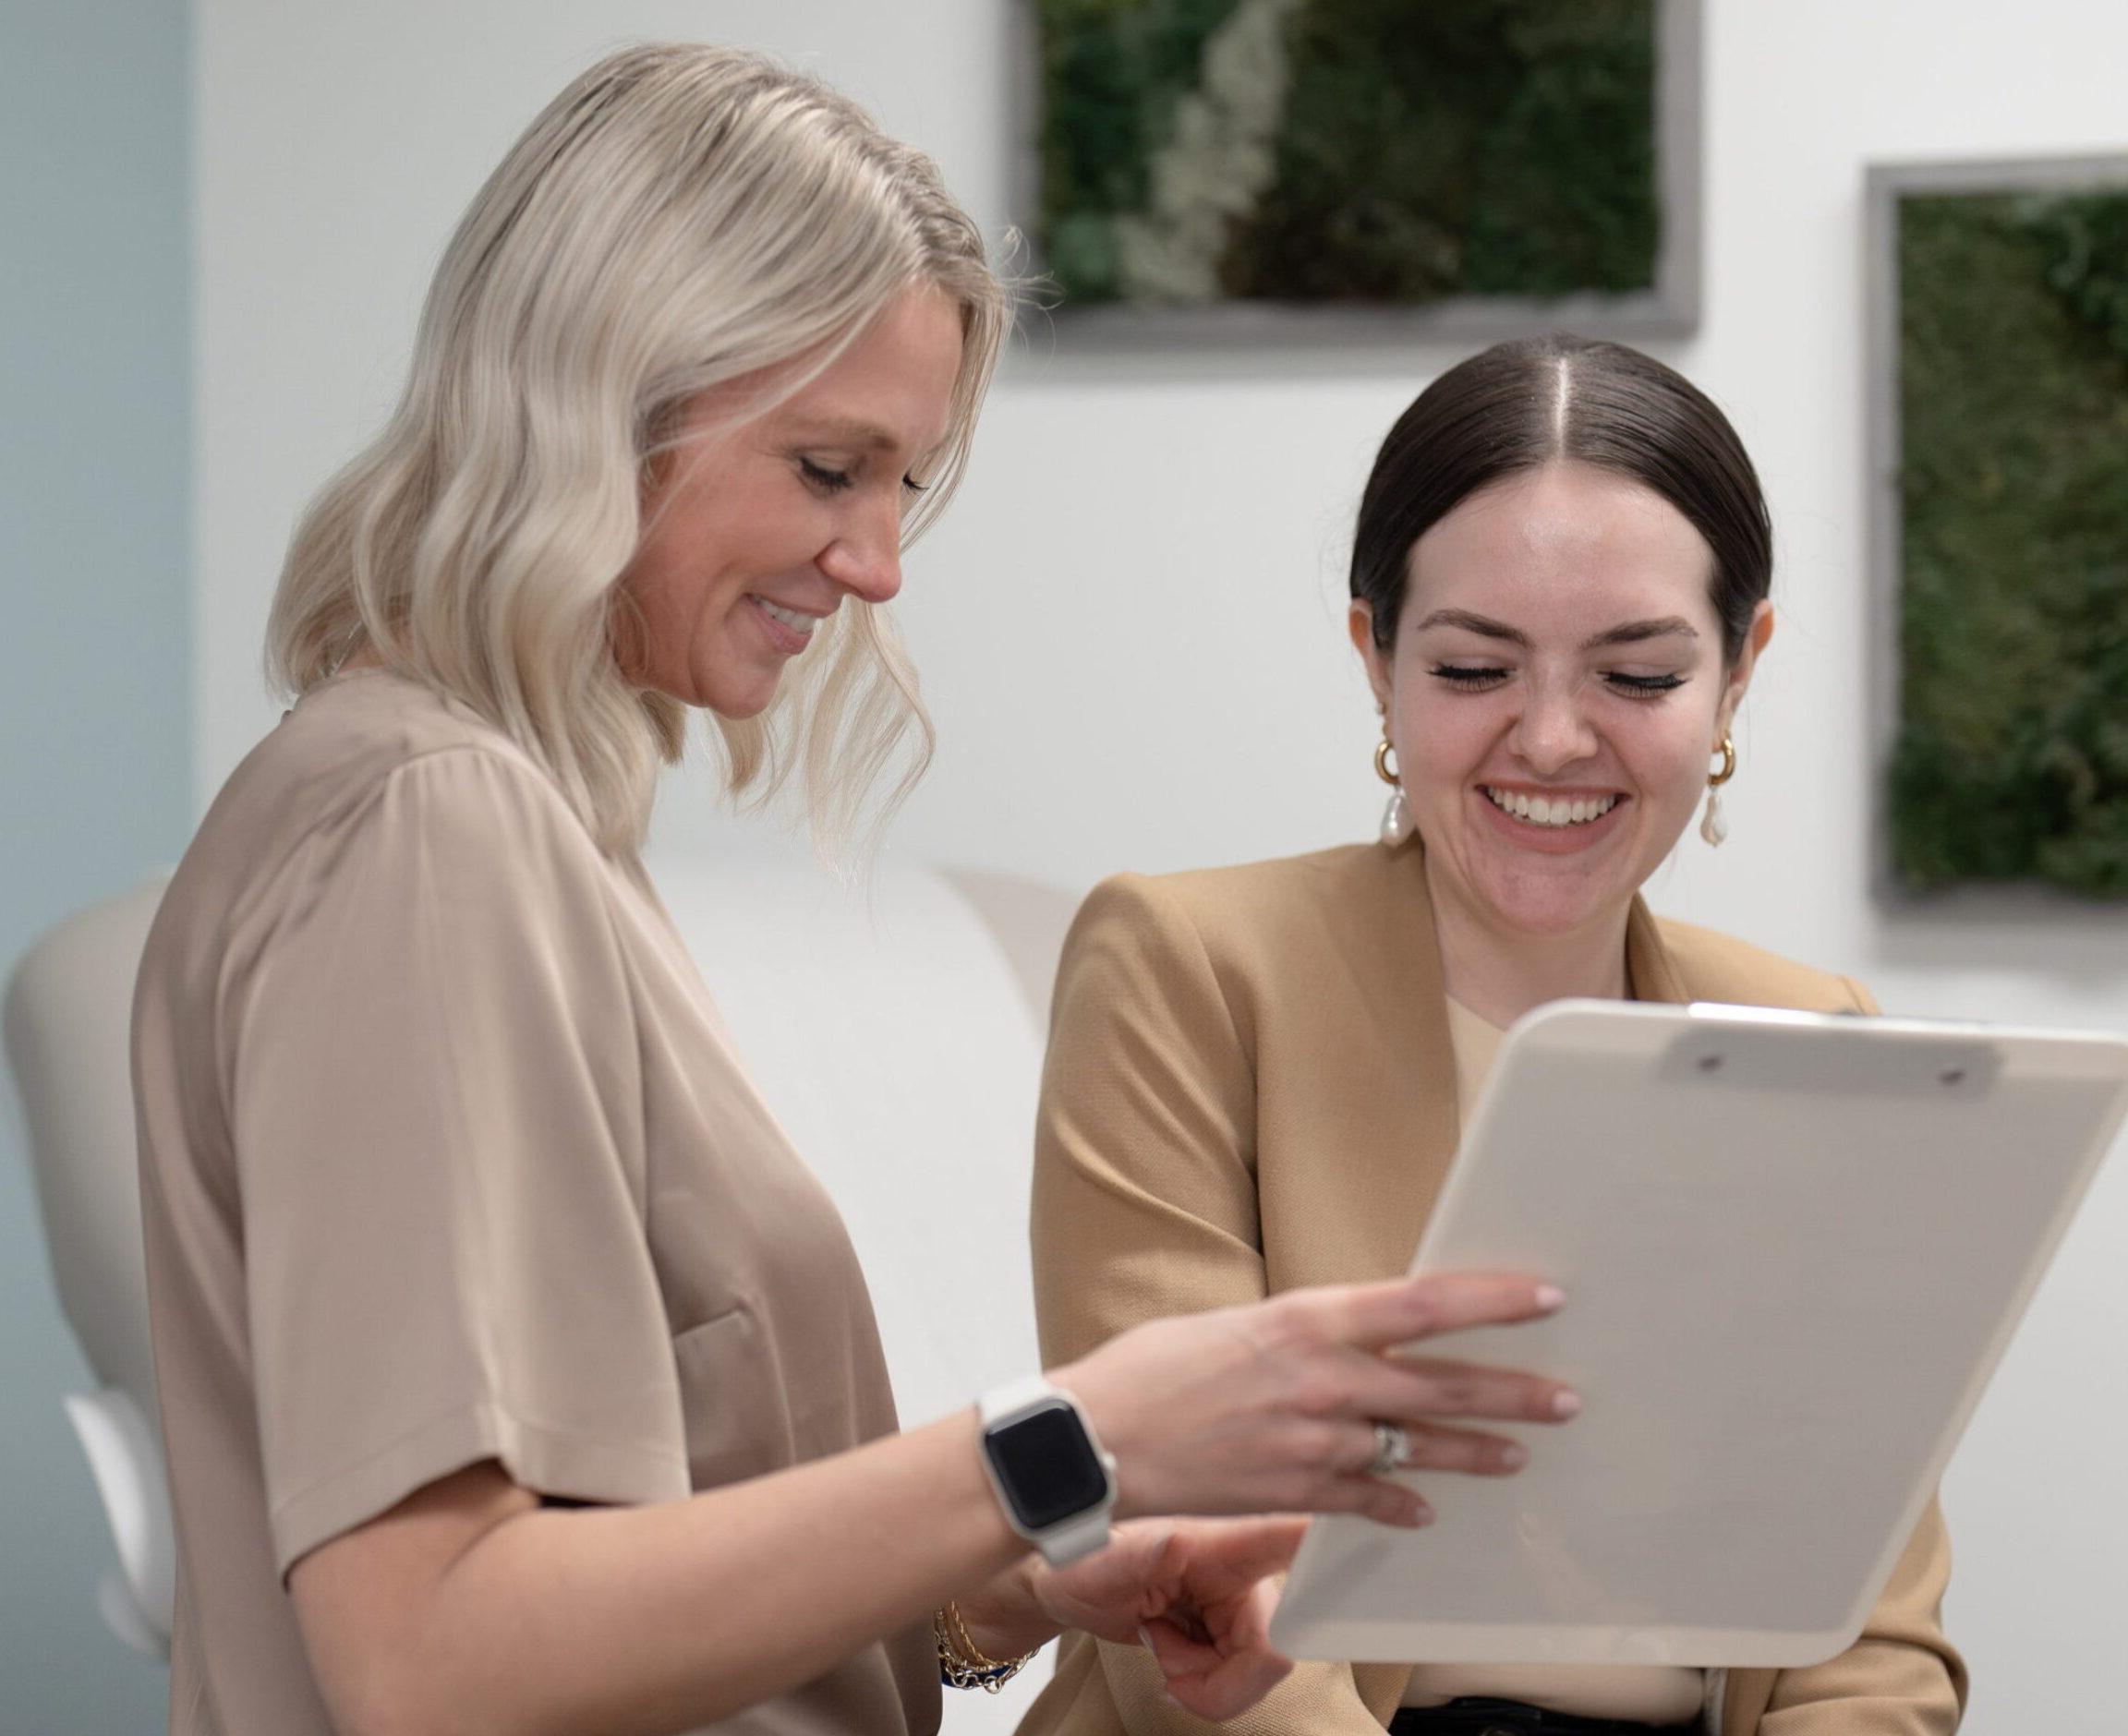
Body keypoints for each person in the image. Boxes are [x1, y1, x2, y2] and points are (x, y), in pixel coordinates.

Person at [129, 45, 1583, 1736]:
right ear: (596, 398)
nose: (880, 562)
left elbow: (653, 1564)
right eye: (829, 469)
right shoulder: (421, 828)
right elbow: (439, 1655)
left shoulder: (520, 834)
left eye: (904, 484)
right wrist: (1078, 1436)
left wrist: (1029, 1566)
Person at [1017, 336, 1969, 1736]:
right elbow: (1200, 1601)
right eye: (1474, 667)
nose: (1553, 739)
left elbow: (1873, 1645)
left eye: (1637, 677)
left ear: (1738, 675)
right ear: (1376, 656)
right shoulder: (1190, 967)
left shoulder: (1810, 1036)